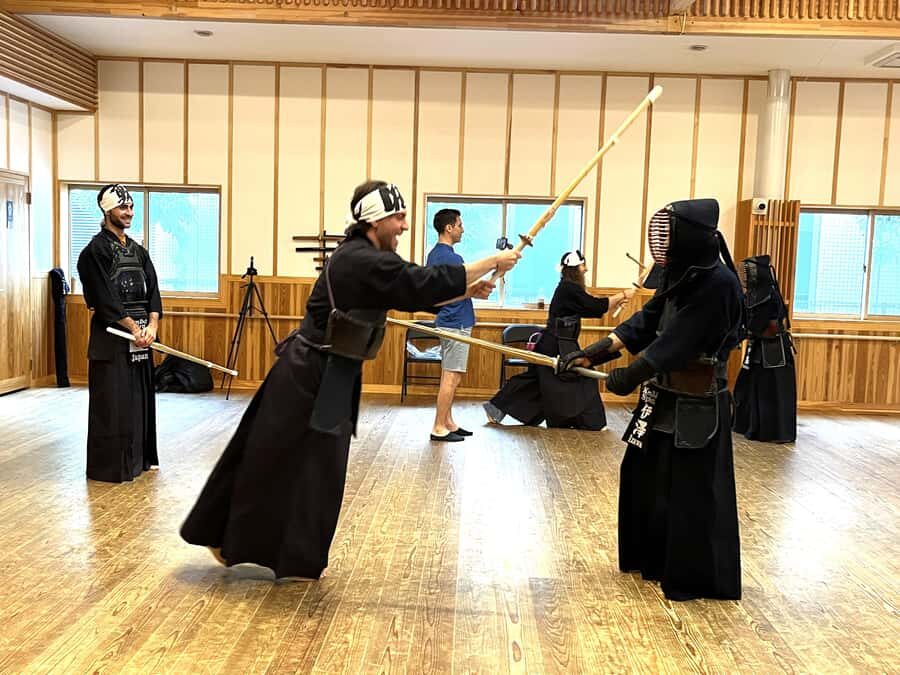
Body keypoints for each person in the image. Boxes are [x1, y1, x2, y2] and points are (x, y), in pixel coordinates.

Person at [180, 180, 520, 580]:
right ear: (375, 221)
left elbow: (408, 291)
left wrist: (466, 290)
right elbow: (418, 281)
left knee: (313, 469)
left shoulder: (367, 258)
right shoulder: (359, 259)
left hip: (328, 373)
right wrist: (491, 261)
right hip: (307, 374)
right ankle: (234, 539)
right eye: (398, 217)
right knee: (275, 461)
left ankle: (285, 554)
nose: (405, 225)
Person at [560, 198, 744, 601]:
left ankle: (692, 576)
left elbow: (677, 344)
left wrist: (627, 375)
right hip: (661, 396)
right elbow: (646, 321)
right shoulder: (680, 275)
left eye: (671, 233)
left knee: (691, 491)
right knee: (644, 477)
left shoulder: (719, 284)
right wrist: (596, 350)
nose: (663, 242)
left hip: (697, 404)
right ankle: (652, 560)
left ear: (691, 236)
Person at [483, 250, 634, 430]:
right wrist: (622, 295)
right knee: (580, 378)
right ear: (576, 268)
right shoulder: (568, 288)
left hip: (560, 343)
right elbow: (594, 306)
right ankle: (591, 421)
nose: (585, 269)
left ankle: (496, 408)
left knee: (536, 381)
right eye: (583, 265)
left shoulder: (569, 288)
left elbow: (593, 308)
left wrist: (618, 300)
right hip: (555, 344)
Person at [76, 184, 162, 483]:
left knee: (139, 401)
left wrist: (151, 327)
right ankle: (111, 467)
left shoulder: (138, 251)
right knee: (113, 403)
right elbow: (104, 298)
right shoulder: (94, 252)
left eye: (131, 207)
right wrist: (133, 328)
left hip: (141, 340)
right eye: (123, 207)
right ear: (107, 210)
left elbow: (152, 291)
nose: (129, 213)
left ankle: (139, 461)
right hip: (112, 339)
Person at [733, 255, 797, 442]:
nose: (747, 276)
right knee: (747, 388)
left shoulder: (770, 295)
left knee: (771, 393)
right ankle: (748, 425)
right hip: (757, 347)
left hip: (773, 349)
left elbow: (766, 324)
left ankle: (773, 432)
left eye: (750, 271)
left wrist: (745, 332)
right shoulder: (750, 295)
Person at [425, 208, 475, 442]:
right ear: (449, 228)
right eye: (460, 225)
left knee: (452, 376)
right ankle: (438, 427)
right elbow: (466, 283)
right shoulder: (451, 258)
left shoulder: (435, 255)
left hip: (451, 322)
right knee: (451, 377)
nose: (462, 229)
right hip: (455, 323)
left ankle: (448, 422)